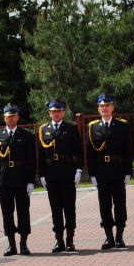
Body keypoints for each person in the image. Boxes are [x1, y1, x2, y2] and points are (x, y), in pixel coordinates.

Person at [0, 103, 36, 256]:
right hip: (4, 180)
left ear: (17, 117)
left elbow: (31, 160)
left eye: (13, 116)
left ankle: (23, 244)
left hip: (22, 179)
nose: (10, 119)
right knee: (7, 213)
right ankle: (11, 245)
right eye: (8, 116)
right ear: (4, 118)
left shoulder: (27, 135)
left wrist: (31, 181)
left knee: (23, 212)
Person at [87, 93, 133, 249]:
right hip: (101, 172)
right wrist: (92, 174)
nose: (104, 108)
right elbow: (90, 153)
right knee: (104, 206)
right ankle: (109, 237)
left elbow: (128, 150)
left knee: (120, 205)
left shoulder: (122, 126)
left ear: (113, 107)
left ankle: (119, 236)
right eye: (101, 106)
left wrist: (128, 172)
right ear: (98, 109)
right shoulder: (93, 127)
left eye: (107, 105)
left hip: (118, 171)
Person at [37, 99, 83, 252]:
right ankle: (59, 241)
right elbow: (41, 155)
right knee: (55, 209)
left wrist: (79, 170)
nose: (56, 114)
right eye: (53, 111)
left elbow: (79, 151)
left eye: (58, 111)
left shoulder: (71, 128)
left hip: (67, 172)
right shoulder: (44, 130)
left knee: (69, 208)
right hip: (51, 174)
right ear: (49, 113)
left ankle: (70, 240)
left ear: (63, 112)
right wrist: (41, 174)